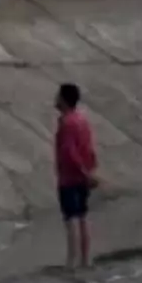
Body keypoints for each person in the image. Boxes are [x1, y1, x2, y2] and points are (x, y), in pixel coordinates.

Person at [54, 83, 99, 270]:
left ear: (64, 99)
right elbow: (89, 149)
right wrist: (90, 171)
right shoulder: (82, 120)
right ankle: (85, 260)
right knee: (82, 216)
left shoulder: (67, 123)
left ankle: (71, 262)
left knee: (71, 218)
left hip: (70, 178)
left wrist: (82, 172)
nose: (55, 98)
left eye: (58, 96)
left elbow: (69, 153)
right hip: (82, 177)